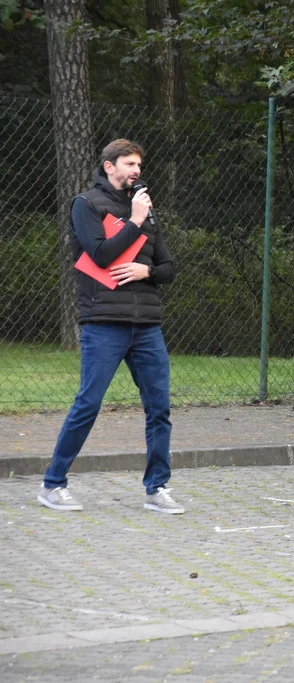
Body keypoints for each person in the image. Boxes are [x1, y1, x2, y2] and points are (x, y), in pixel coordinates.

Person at [38, 139, 182, 513]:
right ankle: (53, 484)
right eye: (129, 163)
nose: (136, 170)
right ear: (109, 167)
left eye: (139, 164)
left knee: (159, 407)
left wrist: (145, 269)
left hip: (147, 325)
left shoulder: (146, 210)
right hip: (104, 322)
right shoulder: (86, 205)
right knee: (88, 403)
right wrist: (133, 221)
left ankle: (157, 488)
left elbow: (168, 268)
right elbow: (99, 254)